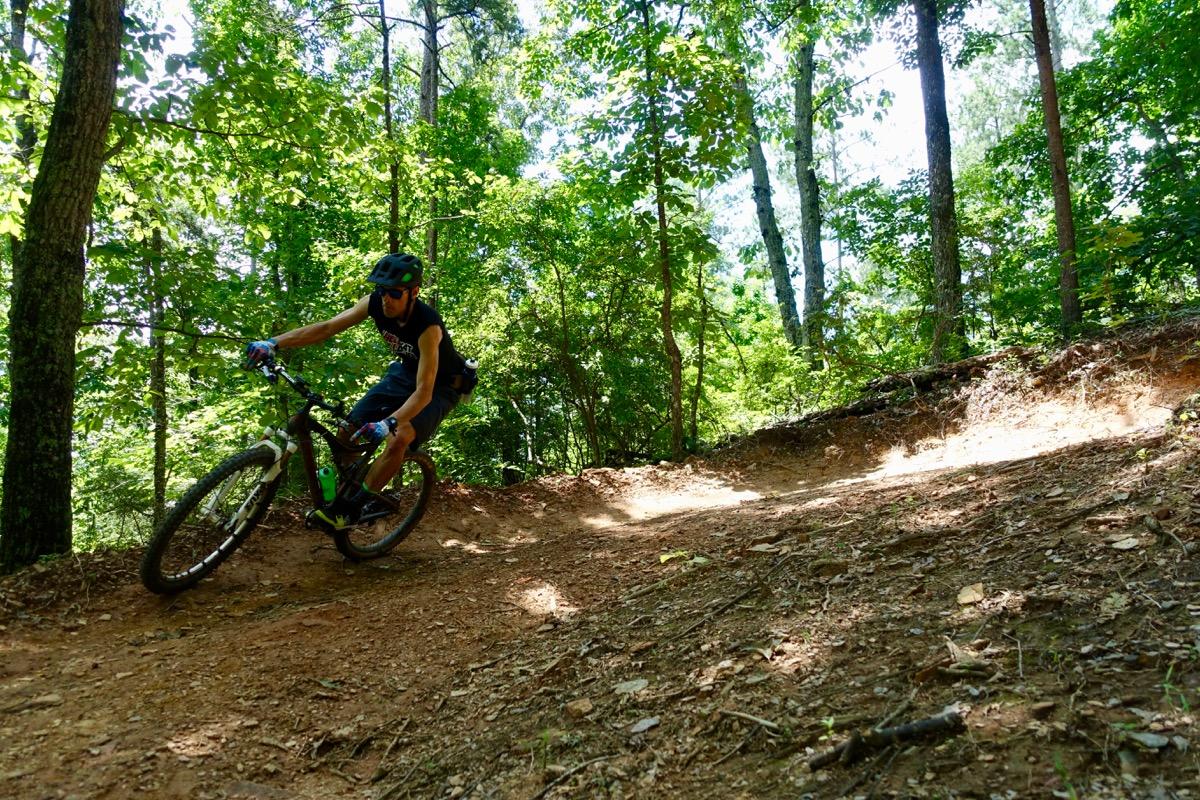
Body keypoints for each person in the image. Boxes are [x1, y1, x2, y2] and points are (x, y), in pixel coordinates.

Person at [244, 253, 476, 532]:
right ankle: (349, 492)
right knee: (347, 431)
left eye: (393, 292)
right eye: (381, 290)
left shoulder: (428, 326)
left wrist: (387, 423)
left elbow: (425, 391)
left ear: (413, 293)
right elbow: (328, 327)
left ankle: (352, 509)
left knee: (398, 436)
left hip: (441, 386)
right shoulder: (375, 303)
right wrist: (273, 343)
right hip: (405, 373)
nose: (386, 298)